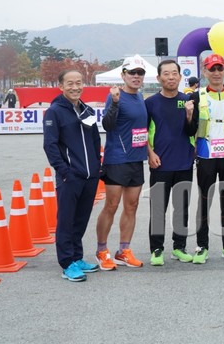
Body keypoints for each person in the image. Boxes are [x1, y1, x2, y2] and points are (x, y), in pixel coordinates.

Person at [43, 70, 101, 282]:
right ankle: (67, 263)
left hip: (90, 176)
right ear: (61, 86)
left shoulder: (87, 110)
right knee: (66, 221)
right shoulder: (54, 112)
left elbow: (95, 141)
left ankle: (77, 257)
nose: (75, 87)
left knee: (81, 220)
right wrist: (64, 171)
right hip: (70, 177)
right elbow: (50, 145)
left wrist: (96, 167)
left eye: (78, 82)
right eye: (70, 83)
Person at [189, 54, 224, 264]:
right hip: (206, 155)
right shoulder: (196, 96)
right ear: (204, 72)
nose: (216, 73)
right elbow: (189, 129)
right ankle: (202, 246)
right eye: (211, 69)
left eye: (219, 68)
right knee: (204, 201)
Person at [95, 55, 148, 271]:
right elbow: (107, 125)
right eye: (132, 73)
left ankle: (124, 251)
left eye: (140, 73)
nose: (136, 76)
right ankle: (101, 250)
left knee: (132, 206)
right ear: (123, 75)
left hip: (136, 159)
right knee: (111, 205)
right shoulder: (116, 96)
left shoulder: (140, 97)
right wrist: (115, 102)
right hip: (117, 158)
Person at [146, 59, 198, 266]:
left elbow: (192, 131)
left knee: (182, 208)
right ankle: (156, 249)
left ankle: (179, 247)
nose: (170, 77)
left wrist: (189, 114)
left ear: (180, 76)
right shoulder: (150, 103)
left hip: (184, 163)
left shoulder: (188, 100)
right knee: (158, 209)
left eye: (174, 73)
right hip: (160, 164)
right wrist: (150, 153)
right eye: (166, 74)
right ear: (159, 78)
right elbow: (141, 133)